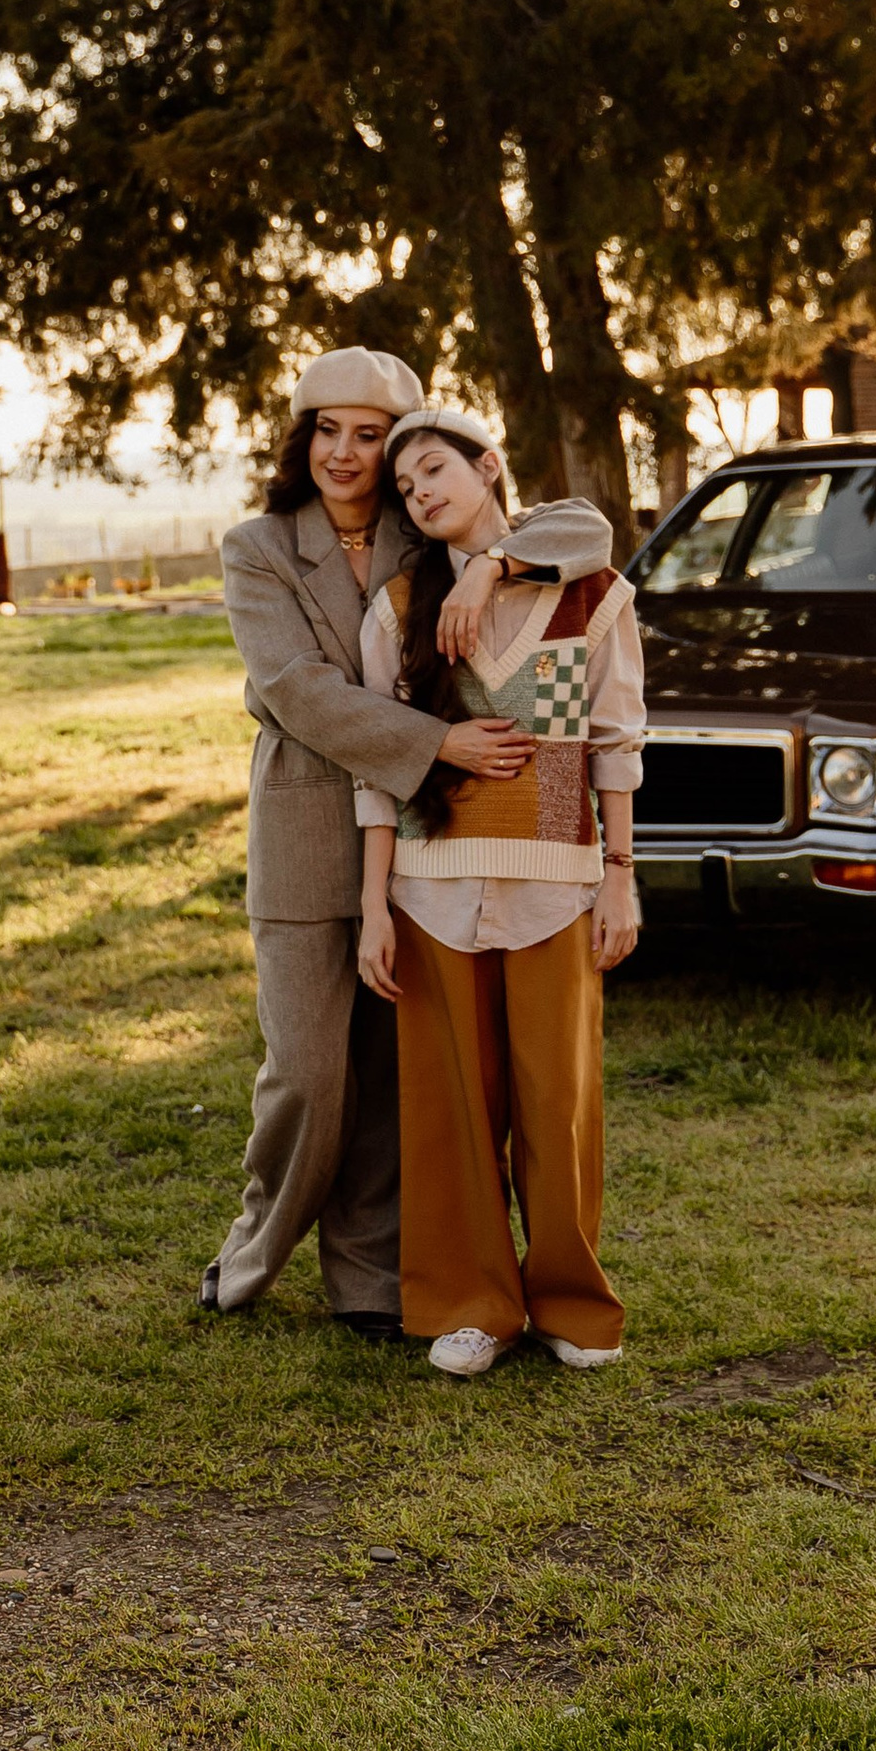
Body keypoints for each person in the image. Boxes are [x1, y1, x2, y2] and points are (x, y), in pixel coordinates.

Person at [205, 351, 534, 1333]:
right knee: (308, 1069)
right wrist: (437, 740)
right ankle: (256, 1242)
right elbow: (295, 691)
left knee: (392, 1076)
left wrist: (500, 565)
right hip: (308, 832)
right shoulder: (256, 545)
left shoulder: (425, 528)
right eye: (325, 429)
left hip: (425, 836)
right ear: (298, 437)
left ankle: (365, 1280)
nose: (343, 452)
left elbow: (567, 526)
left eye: (366, 434)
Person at [353, 407, 646, 1377]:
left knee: (556, 1101)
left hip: (556, 881)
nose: (420, 492)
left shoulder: (588, 595)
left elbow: (612, 743)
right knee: (453, 1112)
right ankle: (473, 1304)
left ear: (487, 467)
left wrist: (618, 877)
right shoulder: (399, 611)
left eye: (434, 469)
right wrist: (370, 910)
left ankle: (568, 1300)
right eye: (404, 488)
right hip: (429, 886)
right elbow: (377, 770)